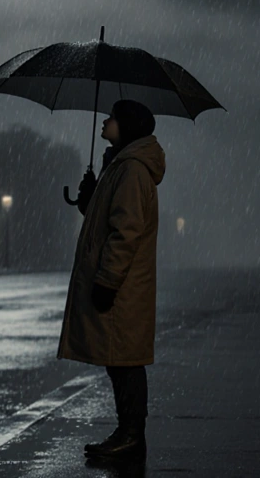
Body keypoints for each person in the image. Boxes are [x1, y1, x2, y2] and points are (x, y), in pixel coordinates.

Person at [57, 98, 165, 461]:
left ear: (127, 126)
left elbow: (125, 233)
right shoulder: (119, 166)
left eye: (112, 118)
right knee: (119, 359)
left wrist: (107, 281)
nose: (104, 122)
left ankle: (131, 435)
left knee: (125, 360)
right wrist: (89, 197)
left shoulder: (131, 170)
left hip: (123, 287)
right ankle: (128, 433)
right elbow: (106, 220)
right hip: (122, 283)